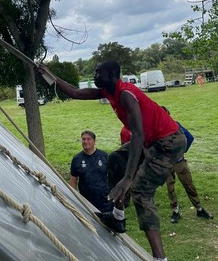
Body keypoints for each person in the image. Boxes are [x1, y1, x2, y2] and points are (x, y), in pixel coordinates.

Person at [38, 60, 186, 261]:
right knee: (115, 157)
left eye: (99, 73)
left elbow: (139, 135)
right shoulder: (108, 91)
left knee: (141, 192)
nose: (95, 75)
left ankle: (160, 258)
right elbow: (74, 92)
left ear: (112, 75)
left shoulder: (126, 95)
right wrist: (48, 74)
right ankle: (118, 217)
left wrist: (128, 178)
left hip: (168, 141)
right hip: (151, 140)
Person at [161, 107, 213, 224]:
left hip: (177, 162)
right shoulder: (159, 128)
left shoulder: (175, 126)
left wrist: (180, 153)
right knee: (171, 187)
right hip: (168, 163)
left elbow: (189, 138)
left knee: (188, 185)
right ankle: (176, 211)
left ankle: (198, 208)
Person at [70, 130, 113, 212]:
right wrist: (74, 200)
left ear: (94, 141)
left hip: (104, 200)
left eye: (88, 139)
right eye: (83, 139)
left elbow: (112, 176)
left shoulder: (104, 156)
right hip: (86, 202)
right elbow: (73, 182)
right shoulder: (77, 159)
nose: (85, 141)